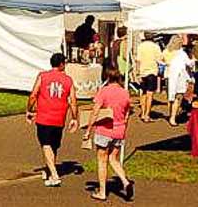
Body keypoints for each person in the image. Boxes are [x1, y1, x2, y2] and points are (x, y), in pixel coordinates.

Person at [26, 52, 78, 187]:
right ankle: (49, 169)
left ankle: (54, 174)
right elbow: (73, 100)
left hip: (44, 117)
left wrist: (30, 109)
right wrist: (74, 117)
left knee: (46, 144)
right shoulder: (68, 80)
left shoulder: (43, 76)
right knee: (53, 145)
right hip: (59, 118)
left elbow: (33, 95)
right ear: (61, 64)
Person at [86, 67, 134, 201]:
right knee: (113, 159)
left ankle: (102, 192)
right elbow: (127, 113)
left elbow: (95, 111)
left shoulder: (103, 92)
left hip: (104, 129)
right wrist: (124, 128)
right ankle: (125, 181)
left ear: (106, 77)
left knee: (102, 160)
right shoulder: (125, 93)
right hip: (119, 130)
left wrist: (88, 129)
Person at [164, 35, 194, 126]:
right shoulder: (182, 54)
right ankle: (173, 117)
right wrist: (193, 60)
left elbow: (161, 60)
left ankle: (171, 114)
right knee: (178, 97)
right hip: (179, 77)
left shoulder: (166, 52)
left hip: (168, 75)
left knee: (170, 96)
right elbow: (189, 64)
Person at [134, 34, 163, 122]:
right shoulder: (155, 47)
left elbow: (138, 60)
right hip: (152, 71)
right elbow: (160, 59)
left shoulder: (140, 46)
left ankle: (143, 113)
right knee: (150, 94)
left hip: (143, 71)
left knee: (143, 93)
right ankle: (147, 114)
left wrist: (137, 72)